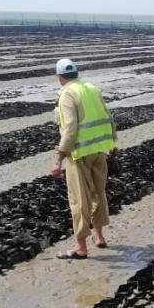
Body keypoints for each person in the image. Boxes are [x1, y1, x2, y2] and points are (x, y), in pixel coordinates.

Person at [50, 58, 117, 260]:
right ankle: (99, 236)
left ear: (60, 77)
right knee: (99, 193)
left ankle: (81, 248)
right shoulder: (92, 88)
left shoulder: (67, 94)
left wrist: (59, 158)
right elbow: (108, 117)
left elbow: (70, 129)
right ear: (76, 73)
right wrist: (112, 143)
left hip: (79, 154)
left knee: (79, 200)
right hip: (99, 150)